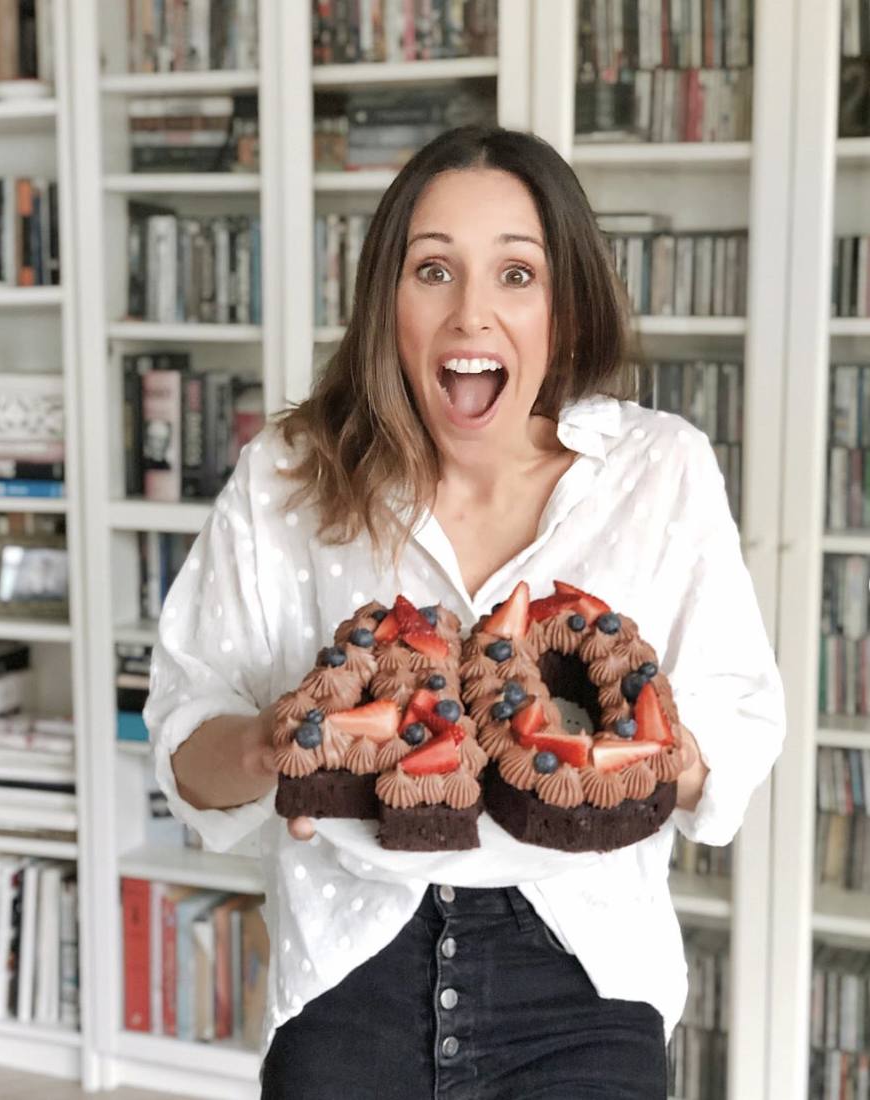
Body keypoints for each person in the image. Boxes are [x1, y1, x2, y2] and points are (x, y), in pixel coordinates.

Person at [144, 126, 786, 1099]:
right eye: (432, 269)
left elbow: (735, 734)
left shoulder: (658, 471)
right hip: (349, 960)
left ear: (563, 310)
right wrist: (273, 742)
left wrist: (663, 752)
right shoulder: (284, 478)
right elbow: (186, 746)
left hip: (583, 974)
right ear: (384, 304)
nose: (469, 312)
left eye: (515, 275)